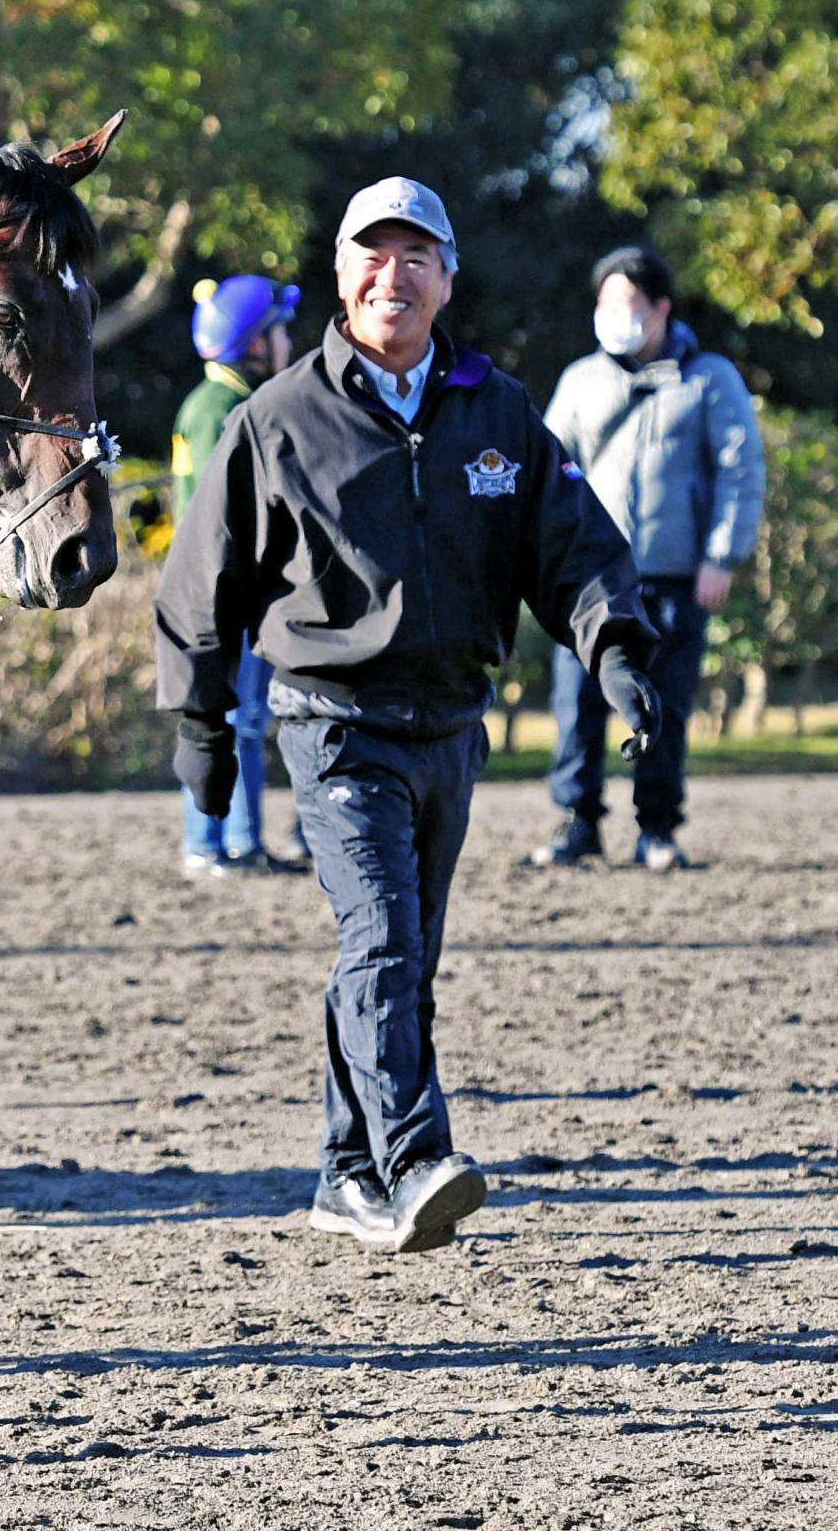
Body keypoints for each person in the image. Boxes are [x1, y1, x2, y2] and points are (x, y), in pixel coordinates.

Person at [153, 177, 660, 1254]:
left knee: (395, 958)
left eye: (415, 255)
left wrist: (615, 652)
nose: (393, 275)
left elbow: (570, 549)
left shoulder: (499, 409)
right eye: (371, 255)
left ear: (446, 276)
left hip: (450, 729)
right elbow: (200, 589)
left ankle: (343, 1173)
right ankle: (415, 1156)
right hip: (331, 723)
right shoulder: (274, 419)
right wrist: (200, 730)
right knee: (380, 939)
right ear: (341, 276)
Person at [533, 246, 765, 871]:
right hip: (589, 581)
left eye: (630, 303)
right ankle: (575, 822)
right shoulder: (580, 381)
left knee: (666, 704)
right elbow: (549, 473)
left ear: (661, 307)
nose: (617, 316)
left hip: (674, 575)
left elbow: (739, 472)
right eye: (606, 303)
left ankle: (656, 828)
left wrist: (721, 555)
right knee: (576, 703)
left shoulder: (710, 379)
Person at [170, 275, 300, 877]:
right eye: (277, 330)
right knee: (229, 721)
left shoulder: (215, 403)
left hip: (229, 591)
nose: (287, 341)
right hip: (225, 594)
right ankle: (214, 845)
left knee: (241, 721)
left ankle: (239, 842)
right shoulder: (226, 409)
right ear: (252, 345)